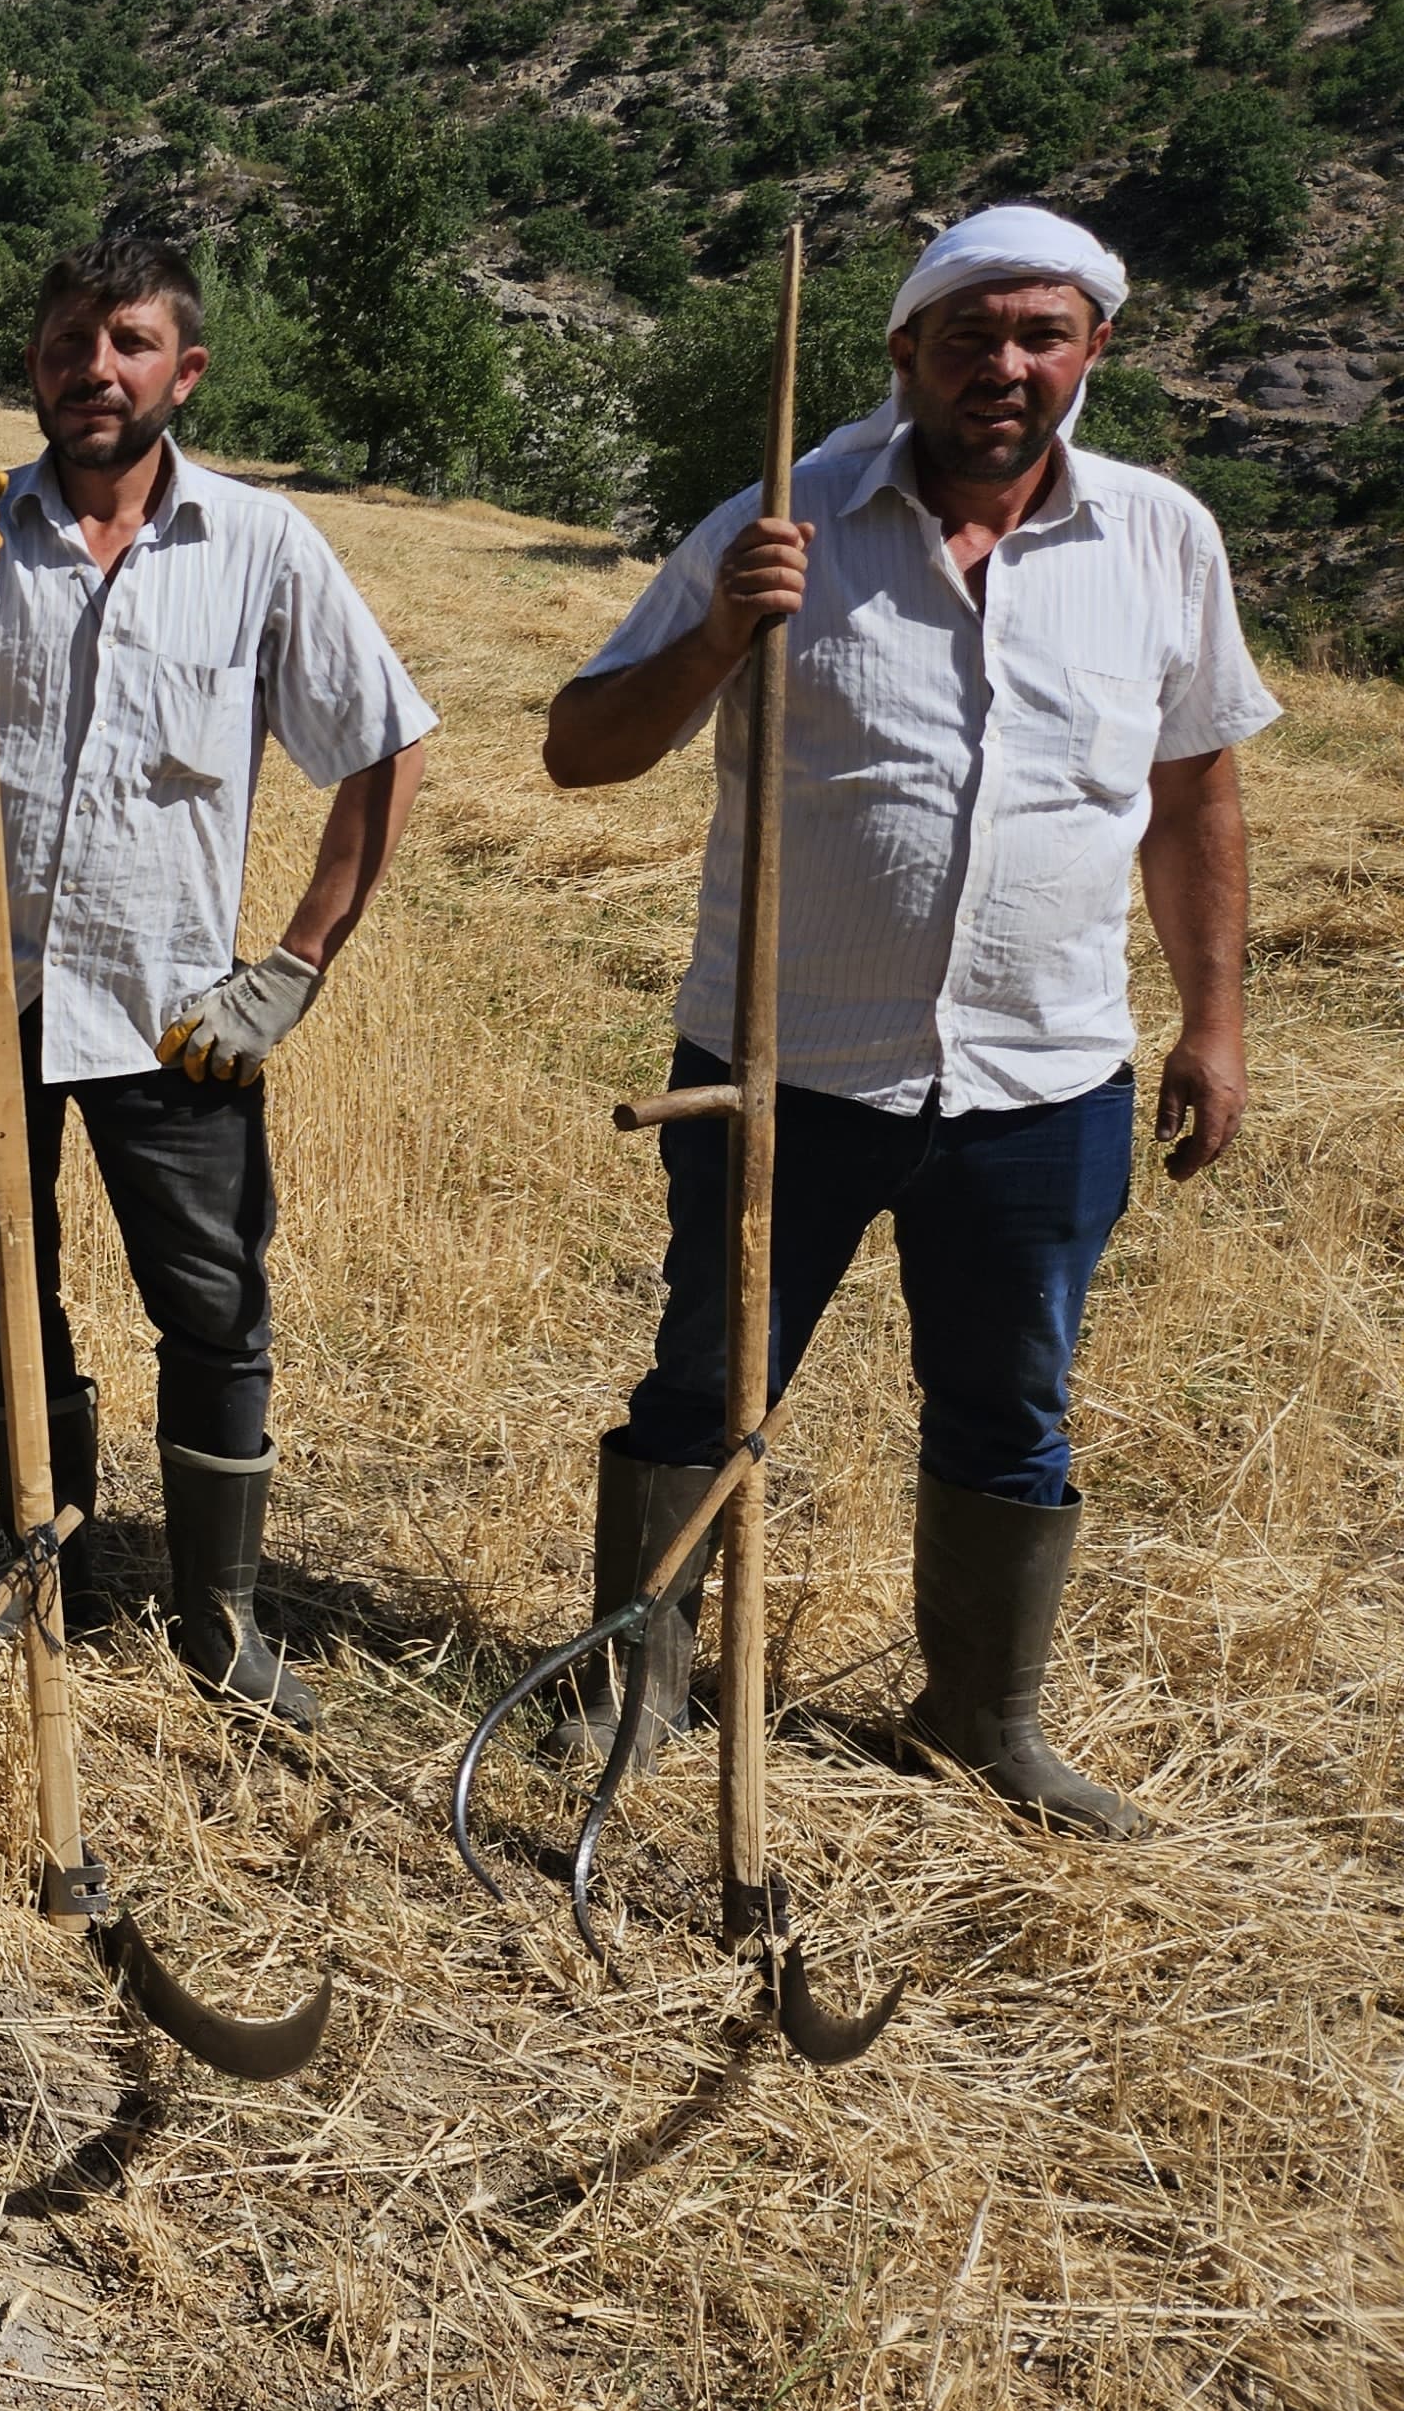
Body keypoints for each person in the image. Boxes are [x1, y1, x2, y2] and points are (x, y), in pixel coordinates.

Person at [543, 207, 1270, 1839]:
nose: (1005, 367)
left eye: (1042, 335)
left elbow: (1195, 796)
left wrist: (1214, 1020)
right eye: (970, 334)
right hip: (779, 1075)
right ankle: (637, 1690)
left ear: (1091, 354)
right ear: (904, 353)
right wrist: (728, 627)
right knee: (705, 1387)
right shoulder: (780, 524)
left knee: (1013, 1403)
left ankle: (980, 1719)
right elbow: (581, 749)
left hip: (1043, 1083)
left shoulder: (1160, 542)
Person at [0, 234, 434, 1728]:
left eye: (131, 343)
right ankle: (52, 1559)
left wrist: (295, 964)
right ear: (28, 365)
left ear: (185, 370)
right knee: (1, 1280)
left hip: (173, 1007)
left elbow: (385, 745)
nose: (94, 370)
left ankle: (219, 1615)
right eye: (66, 343)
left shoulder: (262, 545)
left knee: (214, 1299)